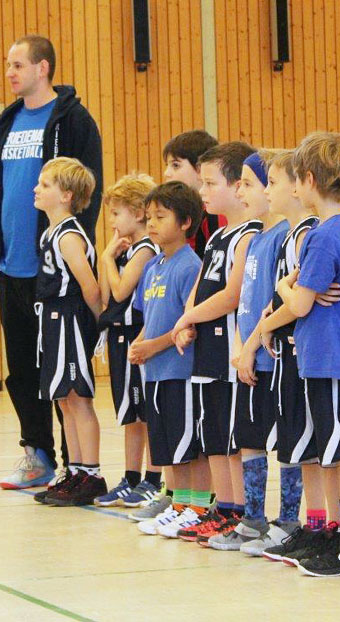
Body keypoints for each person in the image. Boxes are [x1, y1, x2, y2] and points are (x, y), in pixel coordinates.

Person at [0, 35, 103, 490]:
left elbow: (87, 191)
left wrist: (67, 248)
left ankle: (79, 465)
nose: (10, 72)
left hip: (52, 269)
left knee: (60, 371)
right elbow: (1, 188)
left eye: (18, 64)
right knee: (22, 368)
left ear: (43, 68)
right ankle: (36, 454)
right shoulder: (8, 120)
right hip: (10, 263)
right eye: (8, 64)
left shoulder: (73, 120)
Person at [275, 132, 340, 577]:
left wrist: (285, 285)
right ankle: (338, 532)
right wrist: (303, 287)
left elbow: (299, 304)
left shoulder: (323, 237)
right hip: (327, 357)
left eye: (297, 178)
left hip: (336, 358)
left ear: (311, 180)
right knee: (333, 451)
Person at [235, 149, 325, 557]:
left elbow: (298, 298)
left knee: (306, 448)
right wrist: (252, 340)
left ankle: (304, 524)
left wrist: (260, 336)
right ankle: (285, 523)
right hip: (274, 353)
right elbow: (273, 299)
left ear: (299, 184)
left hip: (296, 357)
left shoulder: (305, 233)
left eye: (270, 182)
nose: (267, 191)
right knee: (289, 443)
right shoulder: (278, 237)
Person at [169, 142, 260, 543]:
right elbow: (202, 285)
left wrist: (190, 316)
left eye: (210, 183)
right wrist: (186, 317)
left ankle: (239, 511)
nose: (202, 191)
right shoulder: (219, 234)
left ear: (238, 186)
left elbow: (232, 294)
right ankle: (223, 508)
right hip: (207, 348)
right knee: (213, 435)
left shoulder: (249, 235)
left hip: (229, 349)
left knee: (231, 438)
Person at [208, 150, 295, 551]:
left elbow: (275, 305)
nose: (240, 192)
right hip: (249, 357)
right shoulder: (256, 239)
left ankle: (289, 521)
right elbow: (245, 302)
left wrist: (254, 343)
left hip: (272, 358)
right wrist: (241, 347)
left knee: (288, 442)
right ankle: (254, 519)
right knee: (249, 439)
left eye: (248, 184)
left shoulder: (285, 237)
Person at [124, 182, 206, 536]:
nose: (152, 223)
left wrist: (152, 347)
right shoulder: (153, 266)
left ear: (185, 222)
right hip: (155, 373)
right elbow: (150, 316)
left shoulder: (190, 266)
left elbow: (187, 324)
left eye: (161, 217)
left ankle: (195, 507)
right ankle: (178, 504)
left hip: (179, 371)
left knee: (188, 447)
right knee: (168, 446)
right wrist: (139, 342)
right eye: (149, 217)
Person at [25, 158, 105, 507]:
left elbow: (90, 286)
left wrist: (101, 324)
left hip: (70, 318)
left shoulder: (69, 235)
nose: (36, 189)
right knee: (63, 399)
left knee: (78, 397)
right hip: (52, 319)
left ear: (66, 195)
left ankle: (92, 475)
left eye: (45, 185)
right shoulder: (50, 232)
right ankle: (74, 471)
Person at [92, 173, 164, 508]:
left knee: (147, 413)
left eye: (116, 213)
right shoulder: (124, 250)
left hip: (139, 336)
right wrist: (108, 258)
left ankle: (152, 478)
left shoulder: (146, 249)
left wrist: (107, 259)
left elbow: (122, 291)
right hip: (119, 335)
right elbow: (107, 299)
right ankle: (131, 477)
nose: (111, 221)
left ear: (138, 213)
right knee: (130, 414)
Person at [162, 130, 223, 257]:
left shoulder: (214, 214)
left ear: (200, 169)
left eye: (175, 165)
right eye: (167, 165)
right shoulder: (178, 212)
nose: (166, 173)